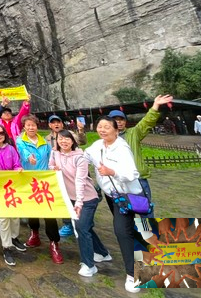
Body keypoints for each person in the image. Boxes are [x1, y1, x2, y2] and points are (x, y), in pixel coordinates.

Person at [84, 116, 144, 294]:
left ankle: (133, 275)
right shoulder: (98, 145)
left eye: (107, 127)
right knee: (127, 230)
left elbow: (133, 173)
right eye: (100, 126)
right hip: (112, 196)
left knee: (122, 232)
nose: (102, 130)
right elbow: (84, 156)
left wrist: (112, 172)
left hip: (126, 196)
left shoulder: (122, 148)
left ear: (116, 130)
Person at [49, 129, 111, 277]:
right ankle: (103, 253)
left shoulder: (80, 157)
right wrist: (54, 168)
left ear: (73, 141)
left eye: (67, 138)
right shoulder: (55, 153)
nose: (63, 141)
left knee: (81, 228)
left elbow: (80, 181)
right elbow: (50, 165)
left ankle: (89, 265)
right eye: (60, 138)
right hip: (71, 198)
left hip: (86, 199)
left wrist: (79, 202)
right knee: (85, 227)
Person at [109, 94, 172, 218]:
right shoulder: (106, 139)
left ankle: (148, 230)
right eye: (115, 119)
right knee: (125, 213)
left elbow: (147, 121)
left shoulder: (134, 133)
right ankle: (132, 230)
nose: (119, 122)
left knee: (145, 210)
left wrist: (156, 105)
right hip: (118, 181)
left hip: (137, 178)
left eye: (121, 119)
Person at [16, 114, 62, 263]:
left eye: (33, 125)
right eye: (28, 125)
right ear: (24, 127)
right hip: (28, 181)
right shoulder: (20, 140)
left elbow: (50, 160)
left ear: (37, 126)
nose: (31, 127)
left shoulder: (45, 143)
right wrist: (29, 157)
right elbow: (23, 151)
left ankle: (54, 243)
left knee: (49, 213)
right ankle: (34, 234)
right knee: (32, 211)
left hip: (44, 182)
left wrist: (53, 167)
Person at [0, 123, 27, 266]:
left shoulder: (11, 149)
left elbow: (16, 164)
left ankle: (14, 237)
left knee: (14, 215)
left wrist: (18, 169)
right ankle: (6, 247)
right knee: (3, 218)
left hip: (11, 188)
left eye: (1, 133)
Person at [45, 114, 87, 237]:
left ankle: (84, 222)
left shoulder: (70, 134)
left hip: (74, 170)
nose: (56, 124)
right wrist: (52, 168)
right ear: (50, 125)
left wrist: (80, 130)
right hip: (60, 175)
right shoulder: (47, 139)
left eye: (58, 122)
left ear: (62, 124)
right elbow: (50, 160)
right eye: (53, 122)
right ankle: (68, 224)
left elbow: (82, 142)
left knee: (78, 195)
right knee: (64, 200)